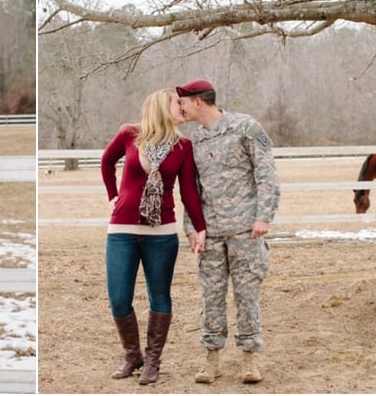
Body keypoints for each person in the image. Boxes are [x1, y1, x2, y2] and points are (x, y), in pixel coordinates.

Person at [175, 78, 280, 385]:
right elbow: (191, 190)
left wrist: (264, 216)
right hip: (211, 234)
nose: (179, 107)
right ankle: (212, 359)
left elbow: (266, 174)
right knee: (211, 296)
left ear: (197, 101)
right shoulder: (195, 141)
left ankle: (249, 359)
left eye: (182, 101)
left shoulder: (245, 127)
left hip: (247, 231)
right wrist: (192, 228)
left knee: (247, 296)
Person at [100, 88, 207, 385]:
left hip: (161, 233)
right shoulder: (129, 134)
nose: (182, 108)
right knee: (119, 299)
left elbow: (188, 192)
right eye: (177, 103)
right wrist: (113, 196)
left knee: (159, 296)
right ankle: (132, 355)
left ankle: (153, 361)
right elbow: (107, 162)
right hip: (122, 230)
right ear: (162, 106)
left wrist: (199, 228)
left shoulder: (183, 146)